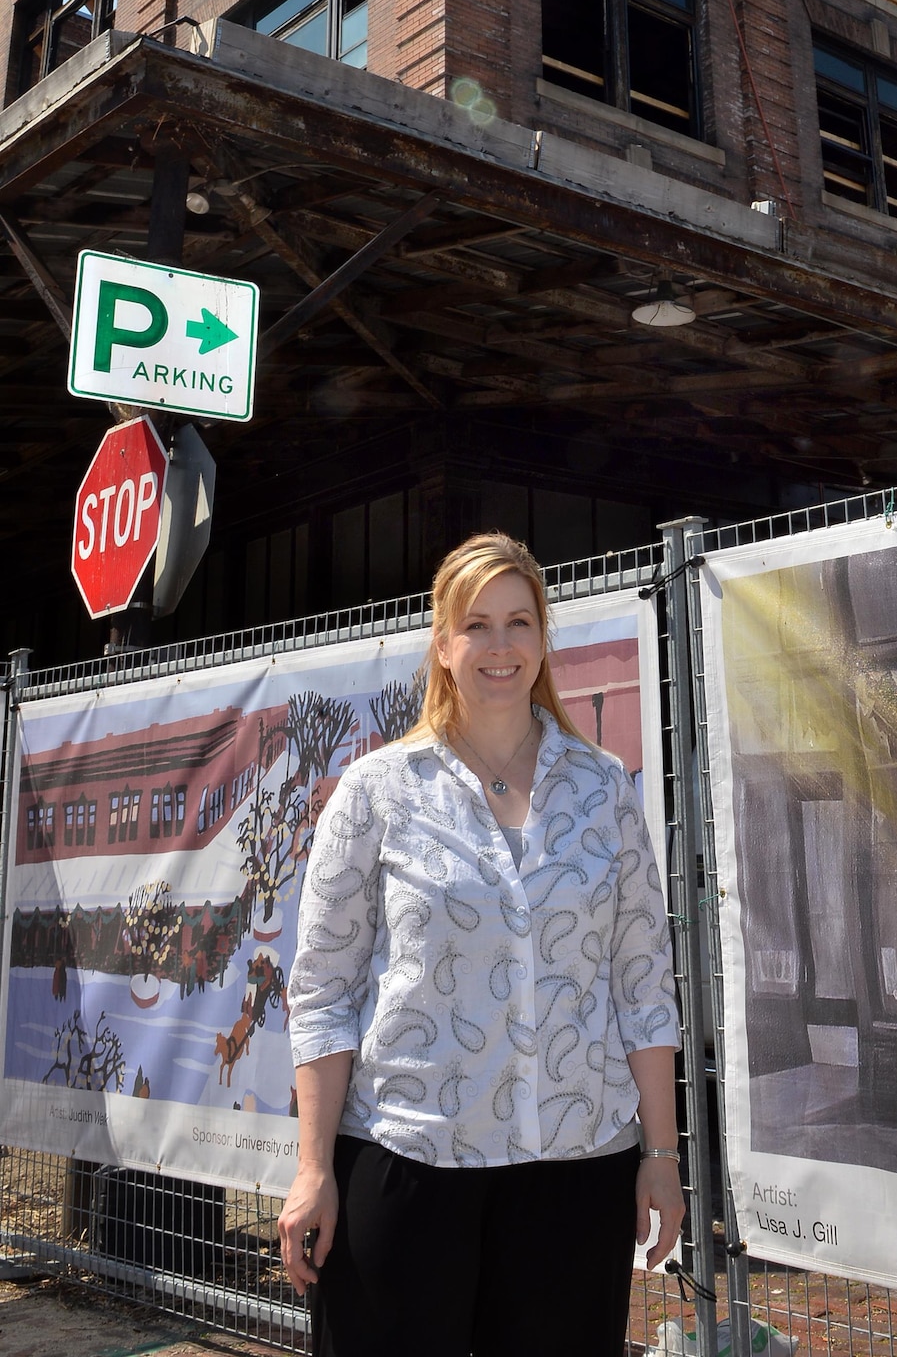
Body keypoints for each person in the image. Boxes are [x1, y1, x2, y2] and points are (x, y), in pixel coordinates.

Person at [278, 533, 684, 1357]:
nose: (500, 646)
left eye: (519, 622)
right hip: (409, 1159)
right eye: (476, 625)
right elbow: (322, 991)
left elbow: (642, 982)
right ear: (442, 644)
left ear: (543, 638)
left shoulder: (604, 787)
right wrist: (313, 1168)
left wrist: (662, 1152)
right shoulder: (378, 791)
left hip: (576, 1173)